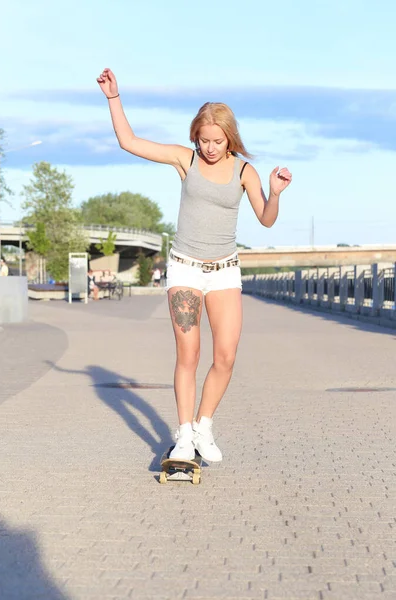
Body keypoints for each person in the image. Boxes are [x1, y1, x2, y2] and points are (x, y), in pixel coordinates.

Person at [97, 68, 292, 462]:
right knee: (189, 353)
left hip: (225, 271)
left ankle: (204, 426)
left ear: (230, 138)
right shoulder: (185, 160)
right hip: (185, 267)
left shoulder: (244, 171)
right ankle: (183, 434)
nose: (210, 148)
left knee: (226, 357)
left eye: (217, 141)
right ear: (195, 137)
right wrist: (114, 98)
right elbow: (129, 142)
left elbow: (266, 219)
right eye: (203, 140)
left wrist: (274, 193)